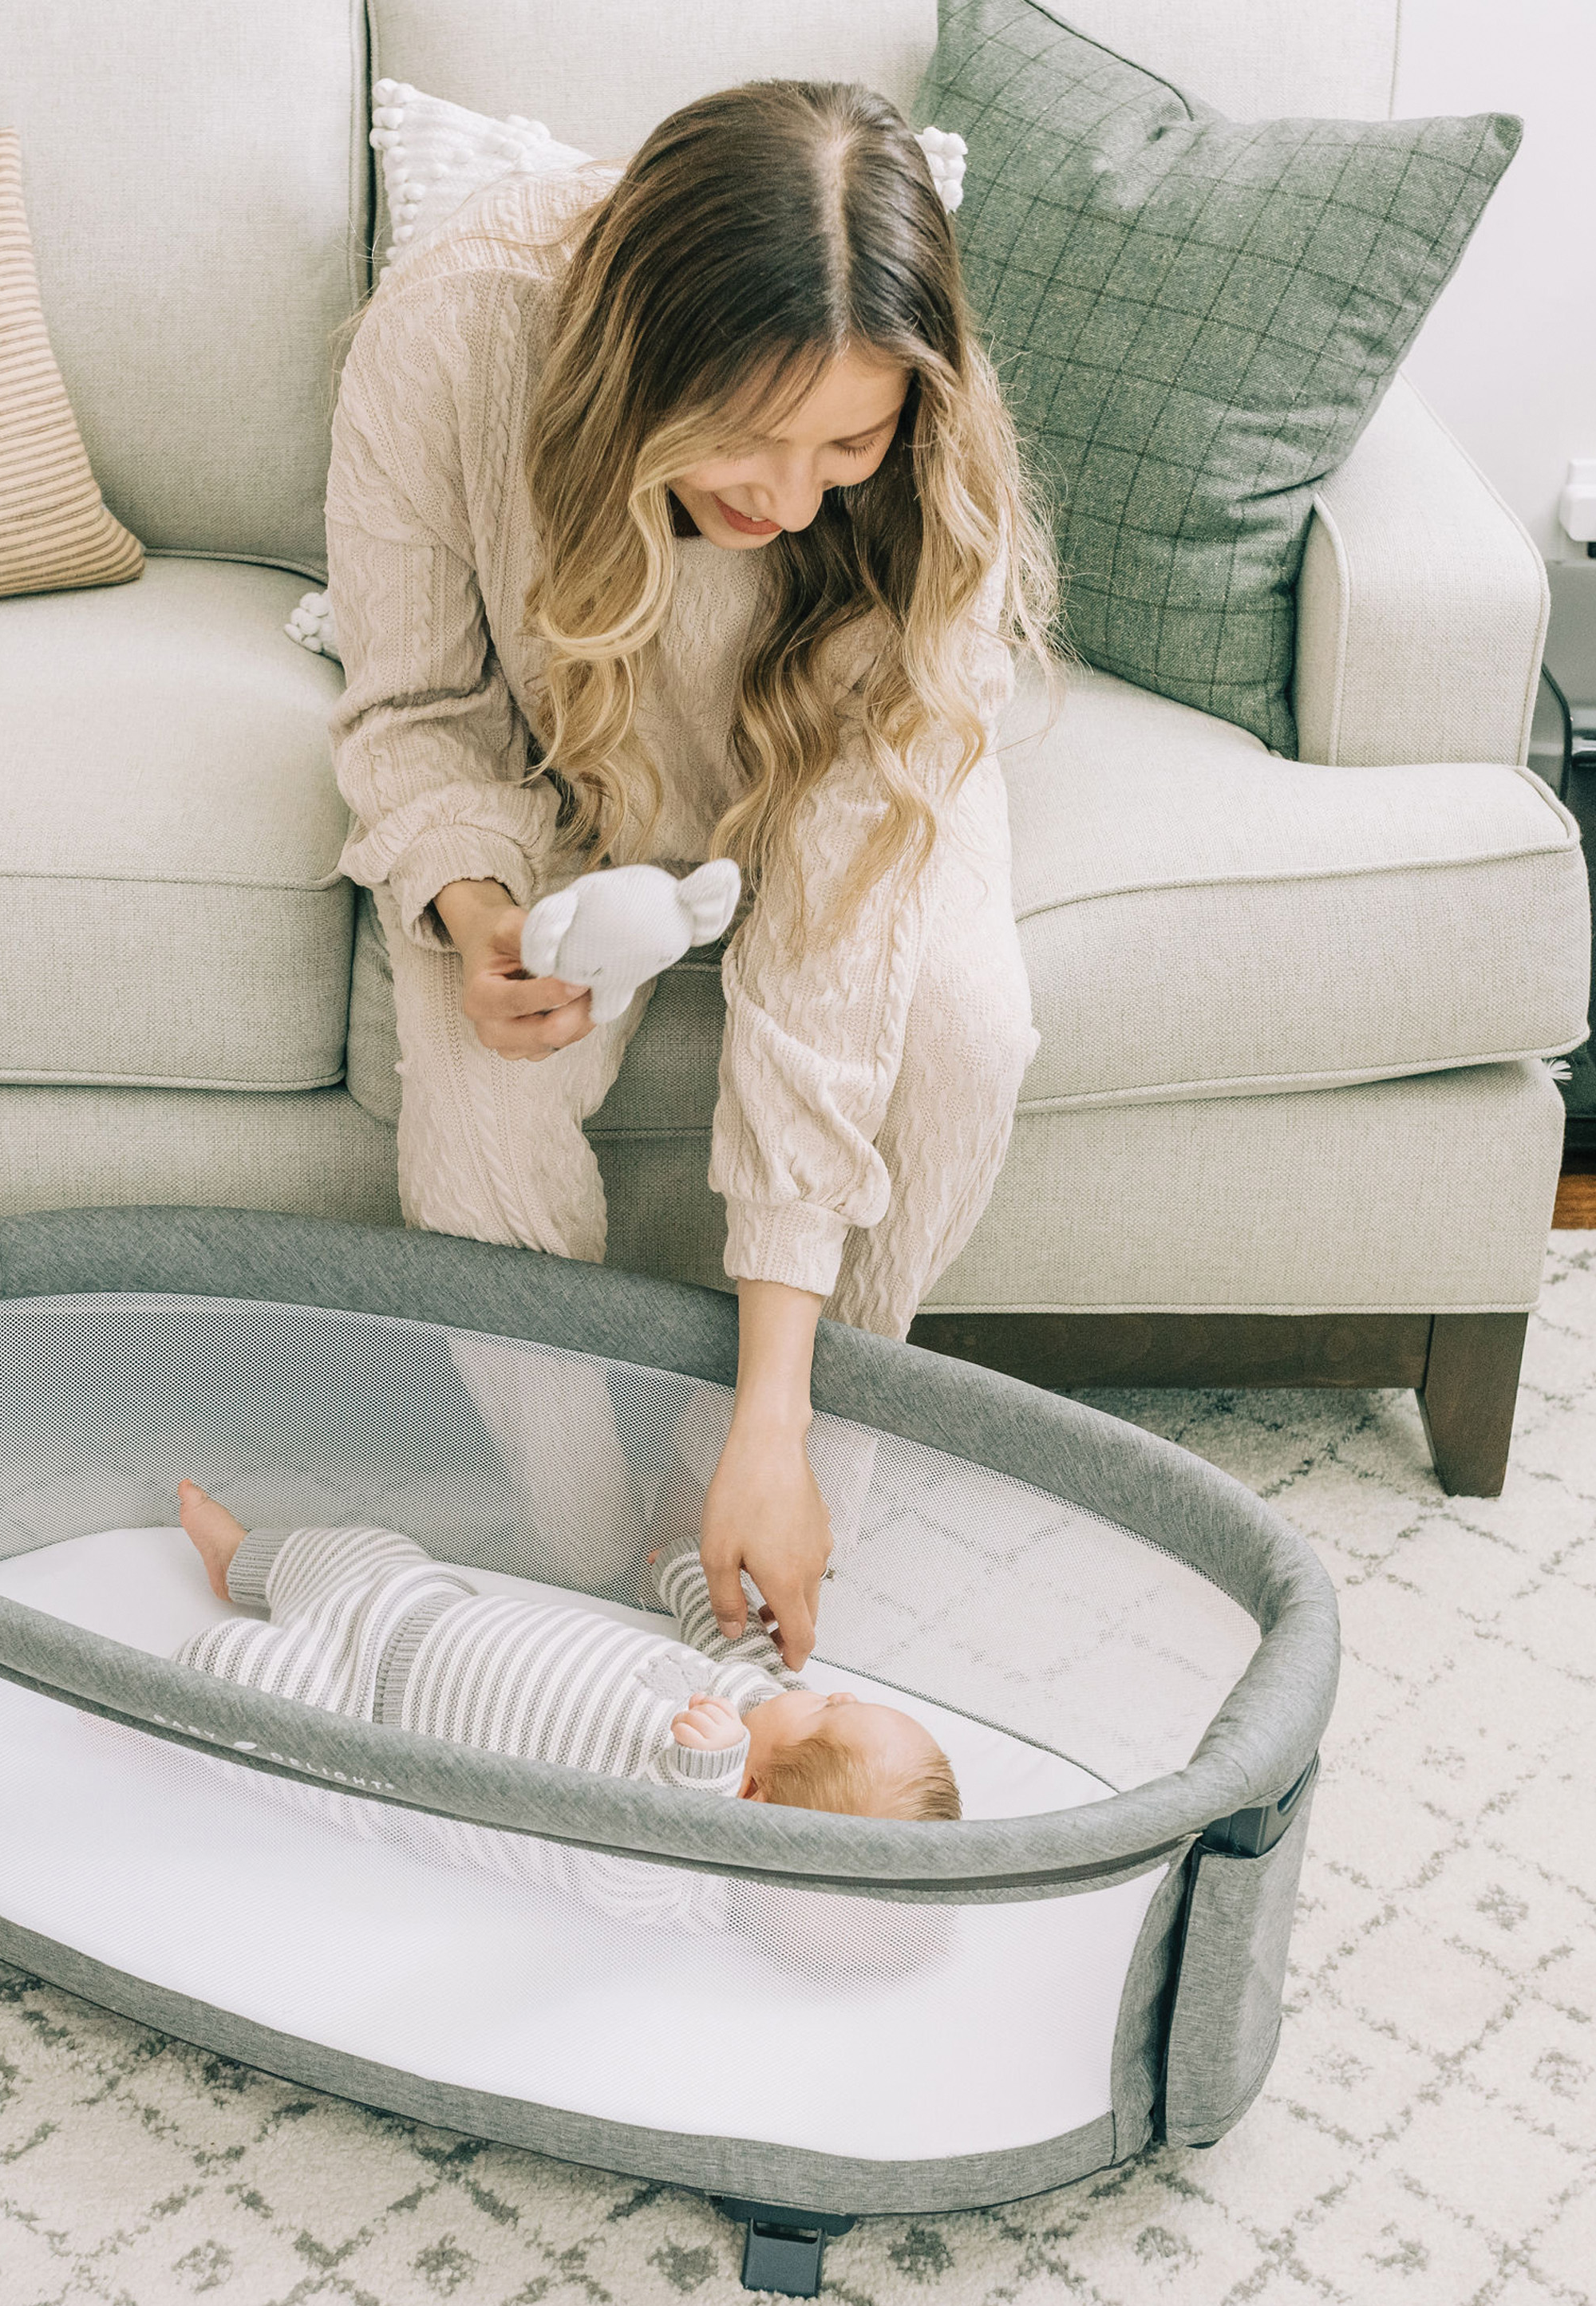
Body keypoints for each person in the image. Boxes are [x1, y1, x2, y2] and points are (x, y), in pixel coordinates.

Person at [326, 80, 1058, 1673]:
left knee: (959, 1030)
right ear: (638, 358)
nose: (791, 501)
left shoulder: (926, 481)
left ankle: (785, 1482)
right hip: (563, 777)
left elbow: (829, 941)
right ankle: (588, 1538)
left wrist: (772, 1410)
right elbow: (412, 711)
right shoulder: (451, 331)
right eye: (741, 436)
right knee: (479, 1080)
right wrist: (471, 907)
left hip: (849, 786)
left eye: (845, 443)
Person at [172, 1479, 960, 1822]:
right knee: (362, 1549)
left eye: (828, 1712)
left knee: (235, 1673)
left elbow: (641, 1861)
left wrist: (710, 1786)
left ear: (756, 1798)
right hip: (420, 1606)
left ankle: (153, 1714)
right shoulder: (758, 1694)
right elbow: (732, 1633)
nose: (838, 1692)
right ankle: (241, 1560)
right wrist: (691, 1568)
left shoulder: (688, 1849)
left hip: (360, 1715)